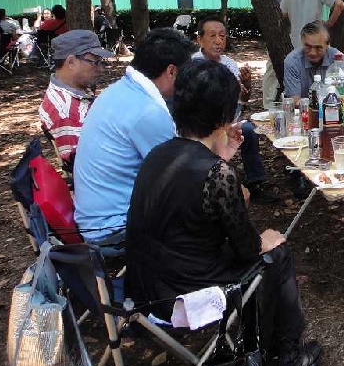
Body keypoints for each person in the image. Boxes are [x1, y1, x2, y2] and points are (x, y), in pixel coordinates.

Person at [125, 59, 322, 366]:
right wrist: (265, 240)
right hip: (184, 295)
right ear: (223, 116)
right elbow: (247, 248)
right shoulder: (217, 174)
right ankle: (288, 355)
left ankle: (266, 345)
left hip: (145, 289)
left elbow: (190, 209)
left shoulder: (158, 155)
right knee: (278, 252)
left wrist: (220, 157)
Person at [73, 28, 197, 248]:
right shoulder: (147, 112)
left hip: (95, 220)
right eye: (186, 74)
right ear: (171, 71)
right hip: (115, 230)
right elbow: (180, 180)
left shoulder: (119, 90)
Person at [193, 16, 272, 202]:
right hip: (201, 123)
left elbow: (241, 101)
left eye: (222, 36)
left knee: (248, 130)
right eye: (212, 36)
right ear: (200, 40)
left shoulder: (228, 63)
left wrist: (246, 85)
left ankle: (256, 182)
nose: (218, 41)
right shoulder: (193, 66)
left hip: (227, 120)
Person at [38, 30, 112, 168]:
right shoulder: (66, 112)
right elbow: (85, 165)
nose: (100, 69)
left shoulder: (76, 91)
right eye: (95, 62)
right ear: (71, 62)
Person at [283, 21, 343, 100]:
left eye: (318, 48)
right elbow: (295, 101)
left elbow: (343, 95)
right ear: (302, 41)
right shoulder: (292, 62)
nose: (312, 52)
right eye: (308, 46)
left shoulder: (338, 60)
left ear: (327, 45)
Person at [262, 0, 287, 107]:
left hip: (285, 33)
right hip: (273, 34)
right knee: (272, 67)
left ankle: (278, 99)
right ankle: (268, 103)